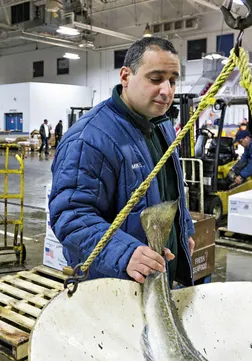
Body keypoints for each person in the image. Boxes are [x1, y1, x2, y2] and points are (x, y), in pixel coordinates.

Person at [49, 37, 195, 286]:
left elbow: (169, 189)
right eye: (156, 78)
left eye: (172, 81)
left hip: (153, 275)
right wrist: (125, 253)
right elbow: (70, 216)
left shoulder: (162, 126)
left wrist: (184, 231)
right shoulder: (89, 138)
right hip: (110, 283)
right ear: (126, 77)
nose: (167, 91)